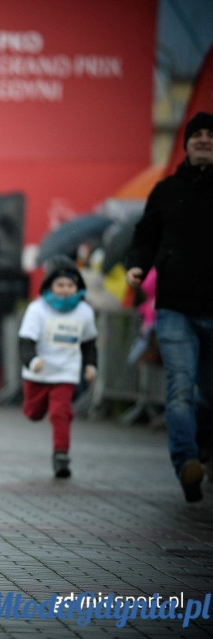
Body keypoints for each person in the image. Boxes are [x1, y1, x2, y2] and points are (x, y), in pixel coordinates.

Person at [126, 111, 213, 503]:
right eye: (197, 134)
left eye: (211, 135)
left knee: (207, 395)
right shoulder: (165, 191)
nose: (204, 140)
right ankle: (187, 464)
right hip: (174, 307)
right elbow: (145, 236)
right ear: (186, 143)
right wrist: (136, 266)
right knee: (179, 387)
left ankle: (204, 450)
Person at [18, 256, 98, 479]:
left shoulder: (84, 312)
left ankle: (61, 455)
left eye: (70, 285)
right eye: (60, 285)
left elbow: (90, 342)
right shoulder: (37, 309)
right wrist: (33, 361)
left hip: (66, 372)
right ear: (50, 286)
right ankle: (42, 410)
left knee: (60, 413)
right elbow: (25, 340)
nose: (65, 290)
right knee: (33, 413)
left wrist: (91, 365)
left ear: (78, 287)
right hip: (38, 372)